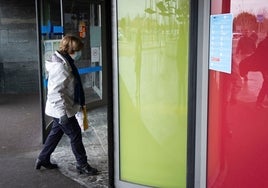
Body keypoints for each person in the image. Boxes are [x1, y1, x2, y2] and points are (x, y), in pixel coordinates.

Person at [35, 34, 98, 175]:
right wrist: (62, 114)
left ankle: (43, 158)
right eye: (78, 50)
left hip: (63, 108)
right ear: (71, 50)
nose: (79, 53)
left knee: (56, 133)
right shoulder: (60, 66)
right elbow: (55, 93)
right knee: (75, 135)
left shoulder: (66, 62)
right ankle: (82, 164)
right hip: (61, 110)